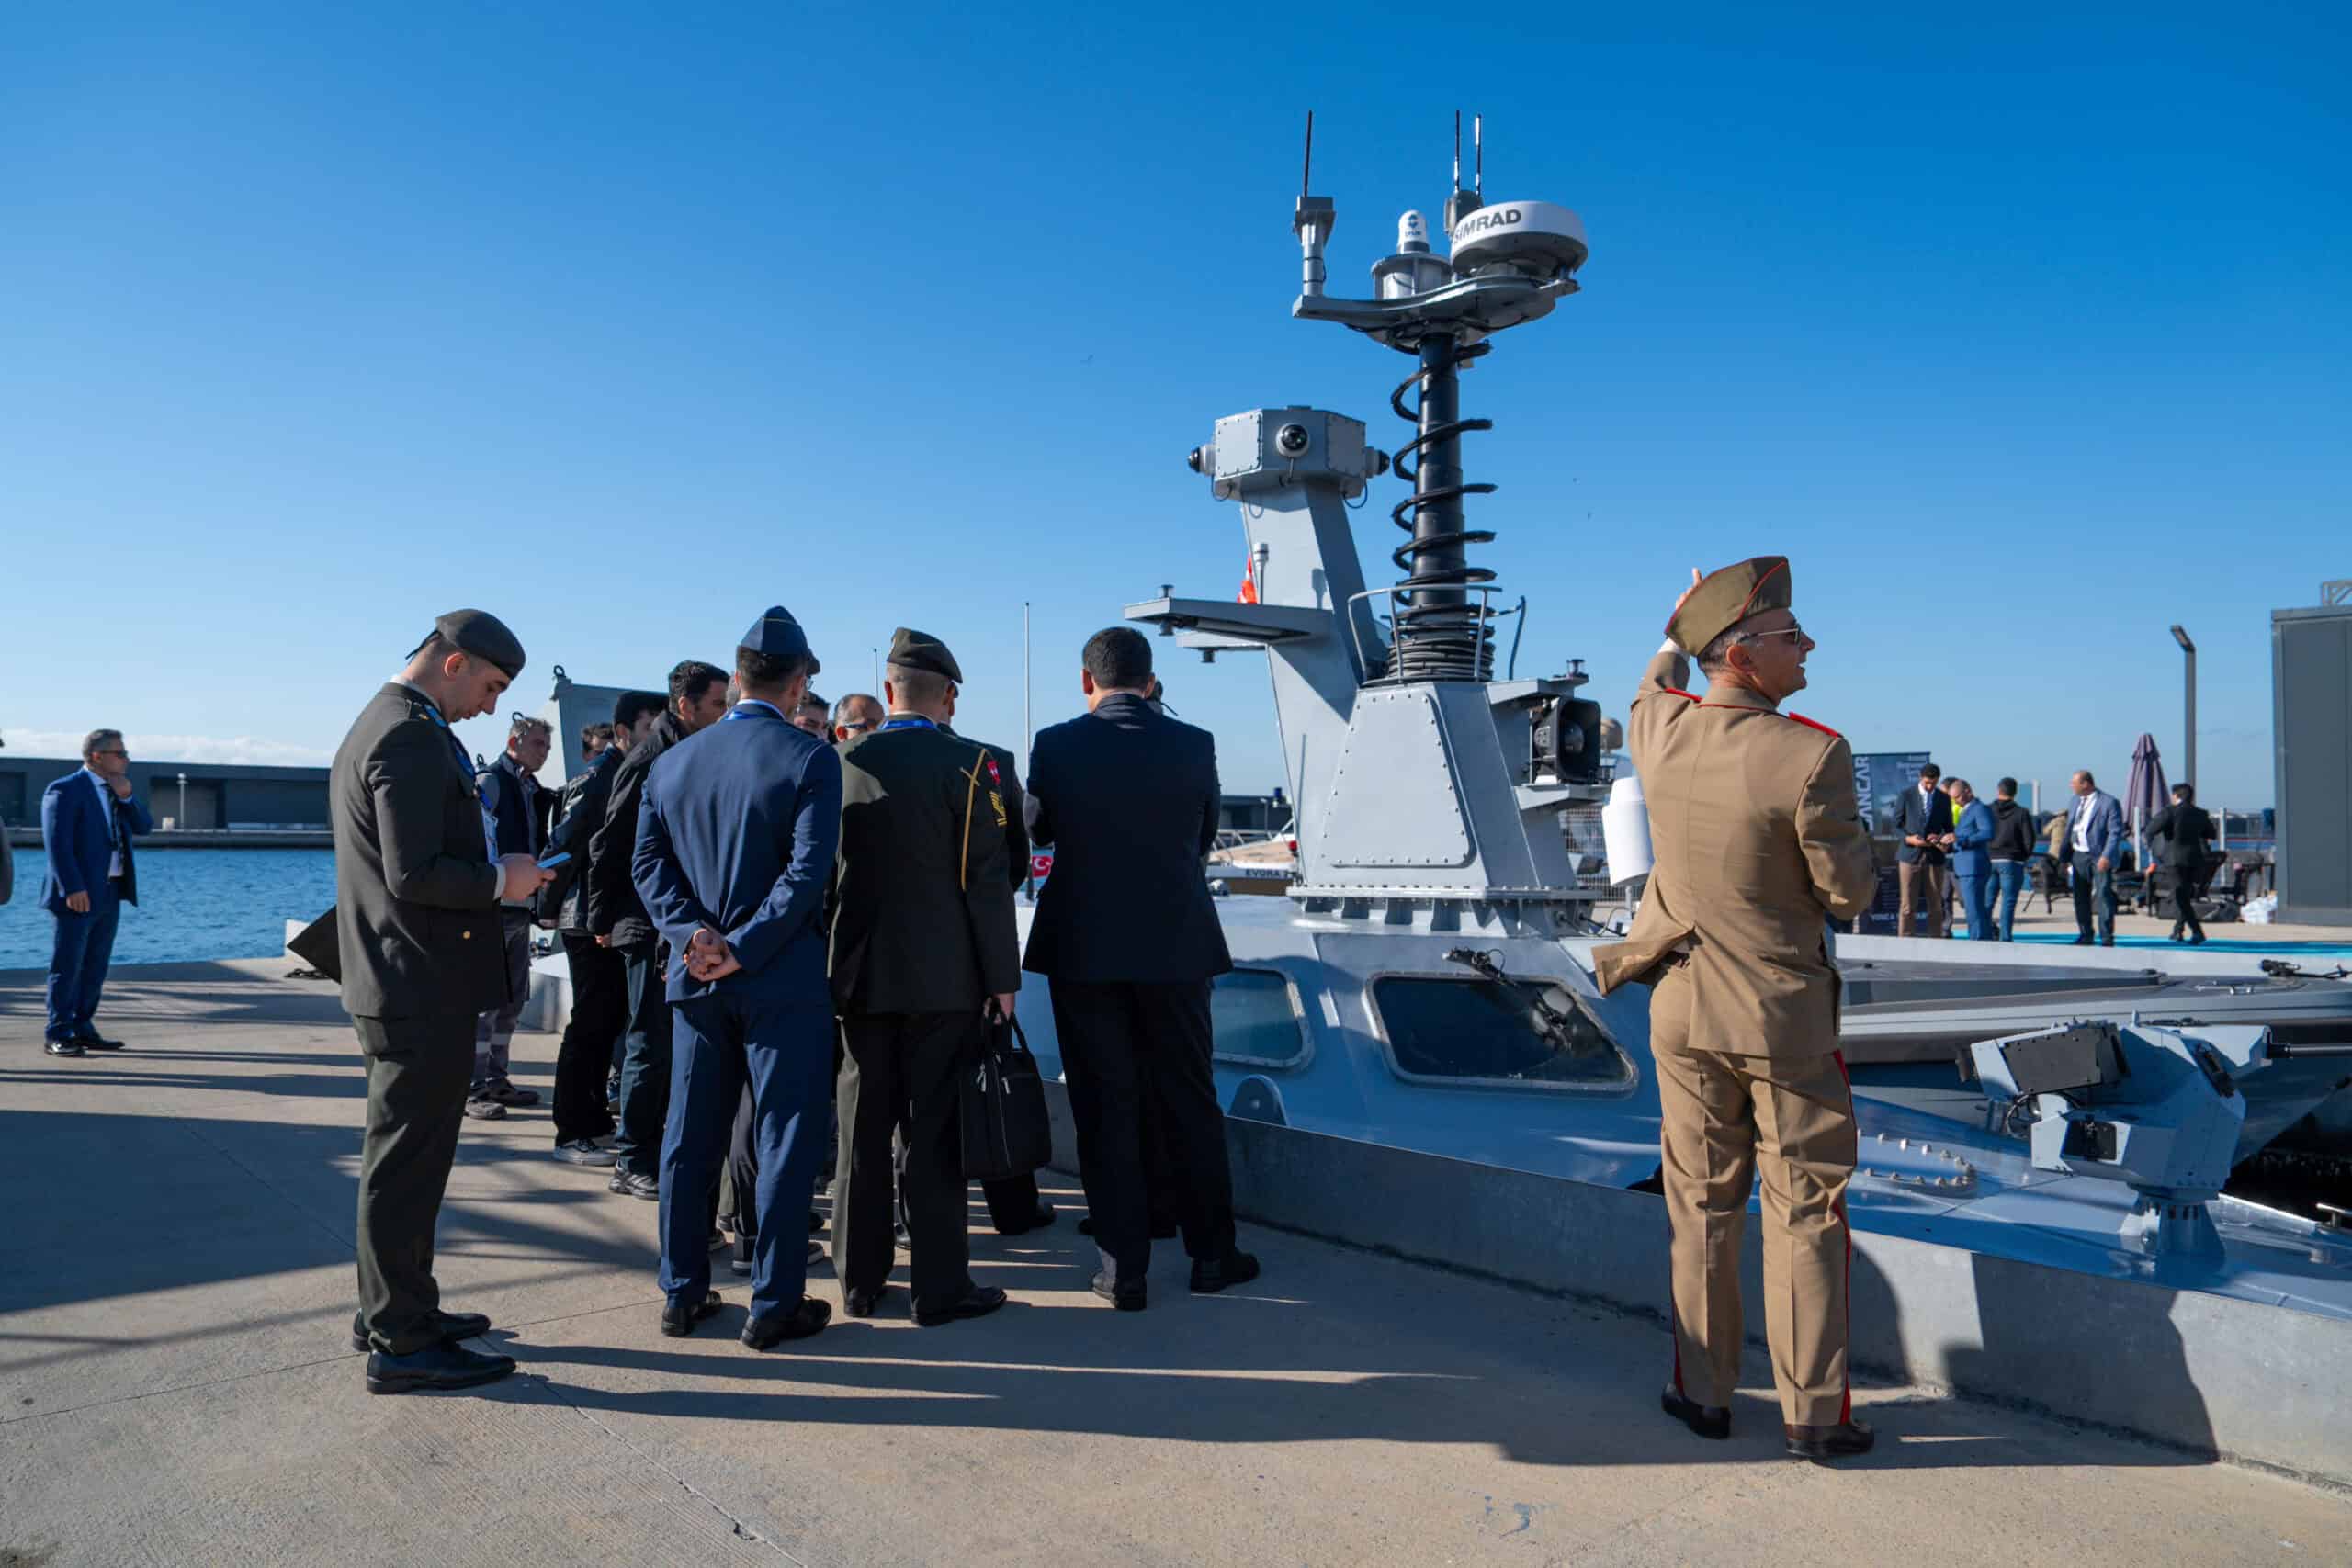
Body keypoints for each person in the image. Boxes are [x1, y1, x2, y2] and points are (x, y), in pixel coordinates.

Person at [1593, 559, 1879, 1461]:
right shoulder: (1811, 755)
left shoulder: (1658, 729)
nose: (1808, 644)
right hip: (1777, 1018)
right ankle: (1813, 1415)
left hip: (1680, 1009)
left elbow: (1654, 677)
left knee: (1700, 1206)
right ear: (1745, 655)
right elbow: (1848, 895)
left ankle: (1703, 1394)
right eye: (1791, 635)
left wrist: (1678, 623)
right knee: (1804, 1212)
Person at [331, 610, 551, 1393]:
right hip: (417, 986)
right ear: (454, 663)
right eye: (490, 687)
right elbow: (414, 871)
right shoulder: (408, 735)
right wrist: (503, 880)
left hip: (405, 979)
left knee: (406, 1160)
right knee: (406, 1166)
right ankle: (401, 1339)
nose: (491, 707)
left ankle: (396, 1308)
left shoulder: (394, 721)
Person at [1025, 625, 1256, 1312]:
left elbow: (1038, 830)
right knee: (1188, 1097)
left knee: (1103, 1103)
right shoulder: (1195, 743)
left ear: (1086, 681)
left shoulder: (1055, 744)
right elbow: (1204, 834)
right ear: (1150, 682)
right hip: (1176, 946)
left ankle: (1122, 1270)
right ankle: (1212, 1253)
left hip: (1084, 950)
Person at [631, 606, 841, 1348]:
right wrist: (744, 946)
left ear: (738, 673)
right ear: (799, 682)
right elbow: (807, 875)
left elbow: (647, 865)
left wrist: (694, 936)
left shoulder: (672, 762)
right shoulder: (811, 758)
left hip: (696, 978)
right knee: (784, 1137)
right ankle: (774, 1300)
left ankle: (682, 1291)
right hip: (781, 978)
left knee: (689, 1137)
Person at [830, 627, 1017, 1326]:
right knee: (934, 1133)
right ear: (950, 697)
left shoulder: (839, 761)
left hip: (858, 977)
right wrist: (1001, 977)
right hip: (945, 979)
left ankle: (858, 1280)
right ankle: (938, 1288)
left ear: (888, 692)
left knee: (859, 1129)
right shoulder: (973, 766)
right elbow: (990, 880)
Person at [585, 659, 729, 1200]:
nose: (725, 715)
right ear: (685, 706)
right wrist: (603, 919)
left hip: (671, 922)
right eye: (717, 705)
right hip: (645, 923)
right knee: (648, 1043)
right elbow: (609, 842)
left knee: (665, 1044)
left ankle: (655, 1149)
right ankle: (632, 1159)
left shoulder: (689, 751)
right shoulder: (652, 758)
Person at [545, 691, 663, 1165]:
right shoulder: (600, 777)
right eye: (649, 728)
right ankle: (572, 1131)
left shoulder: (624, 771)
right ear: (622, 732)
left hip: (602, 916)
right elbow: (566, 844)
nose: (656, 737)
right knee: (591, 1024)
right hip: (587, 920)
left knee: (608, 1021)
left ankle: (593, 1122)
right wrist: (548, 908)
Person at [38, 728, 152, 1057]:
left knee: (96, 965)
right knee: (68, 965)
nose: (126, 758)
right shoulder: (64, 789)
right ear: (97, 756)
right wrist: (72, 887)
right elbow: (57, 844)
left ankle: (83, 1027)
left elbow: (144, 826)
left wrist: (127, 797)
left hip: (110, 891)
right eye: (120, 753)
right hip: (77, 893)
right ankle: (58, 1032)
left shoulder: (117, 790)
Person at [468, 715, 555, 1118]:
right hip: (494, 908)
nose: (544, 752)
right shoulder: (491, 782)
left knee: (512, 1000)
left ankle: (496, 1079)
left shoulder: (530, 789)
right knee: (485, 1001)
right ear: (513, 742)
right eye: (538, 744)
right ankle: (473, 1088)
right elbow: (476, 838)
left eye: (547, 746)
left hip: (520, 909)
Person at [2145, 783, 2216, 944]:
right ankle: (2178, 931)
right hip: (2194, 859)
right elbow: (2211, 833)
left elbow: (2151, 829)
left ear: (2176, 795)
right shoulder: (2200, 813)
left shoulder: (2170, 811)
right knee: (2183, 895)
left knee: (2179, 896)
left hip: (2173, 859)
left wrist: (2154, 845)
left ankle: (2197, 931)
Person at [2064, 769, 2126, 946]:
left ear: (2085, 784)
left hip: (2099, 856)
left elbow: (2115, 832)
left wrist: (2106, 855)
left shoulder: (2109, 802)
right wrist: (2065, 856)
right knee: (2080, 897)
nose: (2071, 785)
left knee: (2103, 895)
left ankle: (2106, 936)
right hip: (2078, 855)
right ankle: (2085, 934)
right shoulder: (2074, 801)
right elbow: (2070, 828)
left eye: (2074, 782)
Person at [1891, 762, 1951, 937]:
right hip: (1909, 856)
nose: (1930, 786)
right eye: (1927, 783)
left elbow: (1949, 828)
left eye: (1933, 783)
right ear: (1920, 778)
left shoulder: (1943, 798)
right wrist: (1909, 838)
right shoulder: (1906, 795)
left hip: (1934, 857)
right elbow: (1895, 825)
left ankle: (1936, 941)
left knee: (1936, 904)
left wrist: (1940, 838)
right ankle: (1905, 940)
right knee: (1907, 905)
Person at [1985, 778, 2037, 941]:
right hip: (2012, 860)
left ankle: (1984, 933)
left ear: (1998, 790)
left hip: (1990, 859)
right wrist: (2023, 856)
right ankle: (2005, 937)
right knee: (2008, 901)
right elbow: (2029, 839)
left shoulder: (1987, 810)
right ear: (2015, 793)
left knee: (1987, 901)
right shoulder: (2022, 813)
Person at [1947, 779, 1996, 942]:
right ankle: (1984, 941)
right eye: (1953, 798)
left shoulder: (1979, 809)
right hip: (1965, 866)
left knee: (1974, 910)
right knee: (1976, 909)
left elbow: (1987, 833)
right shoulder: (1965, 811)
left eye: (1957, 797)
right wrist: (1945, 842)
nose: (1955, 801)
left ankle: (1977, 941)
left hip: (1973, 867)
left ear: (1968, 791)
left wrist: (1962, 840)